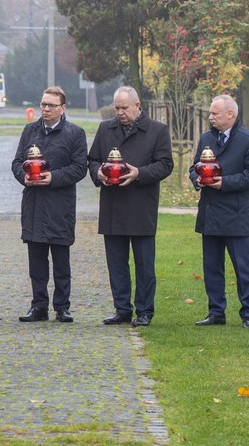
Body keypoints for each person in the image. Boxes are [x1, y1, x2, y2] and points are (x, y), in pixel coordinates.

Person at [87, 86, 173, 327]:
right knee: (116, 262)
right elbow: (92, 159)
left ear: (138, 106)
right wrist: (99, 174)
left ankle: (144, 310)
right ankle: (122, 308)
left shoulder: (157, 131)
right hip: (112, 205)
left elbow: (166, 164)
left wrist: (140, 173)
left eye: (124, 108)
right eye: (116, 108)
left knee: (144, 263)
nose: (120, 112)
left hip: (141, 205)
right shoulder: (106, 129)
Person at [11, 87, 87, 323]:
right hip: (33, 203)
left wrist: (53, 177)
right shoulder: (30, 131)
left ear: (62, 108)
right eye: (43, 104)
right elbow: (17, 162)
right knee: (36, 261)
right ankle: (39, 306)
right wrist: (21, 176)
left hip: (60, 205)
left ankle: (62, 306)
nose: (45, 109)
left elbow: (79, 168)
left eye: (51, 105)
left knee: (61, 261)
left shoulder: (75, 133)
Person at [190, 94, 249, 328]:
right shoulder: (206, 138)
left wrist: (225, 183)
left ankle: (248, 314)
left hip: (235, 215)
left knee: (243, 268)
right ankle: (216, 313)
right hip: (210, 213)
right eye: (210, 113)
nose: (210, 117)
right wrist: (197, 180)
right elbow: (194, 168)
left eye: (215, 113)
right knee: (212, 267)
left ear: (230, 114)